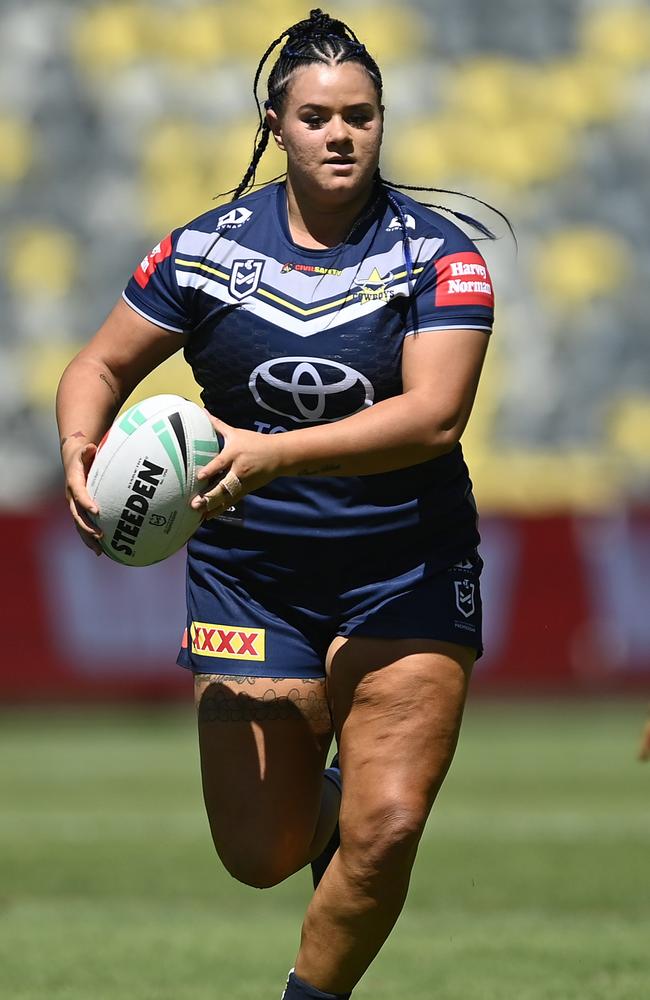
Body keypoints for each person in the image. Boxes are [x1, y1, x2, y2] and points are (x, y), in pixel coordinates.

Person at [56, 10, 502, 999]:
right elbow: (97, 363)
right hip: (249, 578)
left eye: (360, 114)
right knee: (259, 853)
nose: (340, 133)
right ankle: (327, 796)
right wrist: (80, 448)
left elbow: (434, 418)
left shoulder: (438, 254)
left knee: (388, 830)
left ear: (381, 121)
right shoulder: (205, 249)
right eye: (317, 117)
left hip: (405, 566)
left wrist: (268, 452)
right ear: (277, 123)